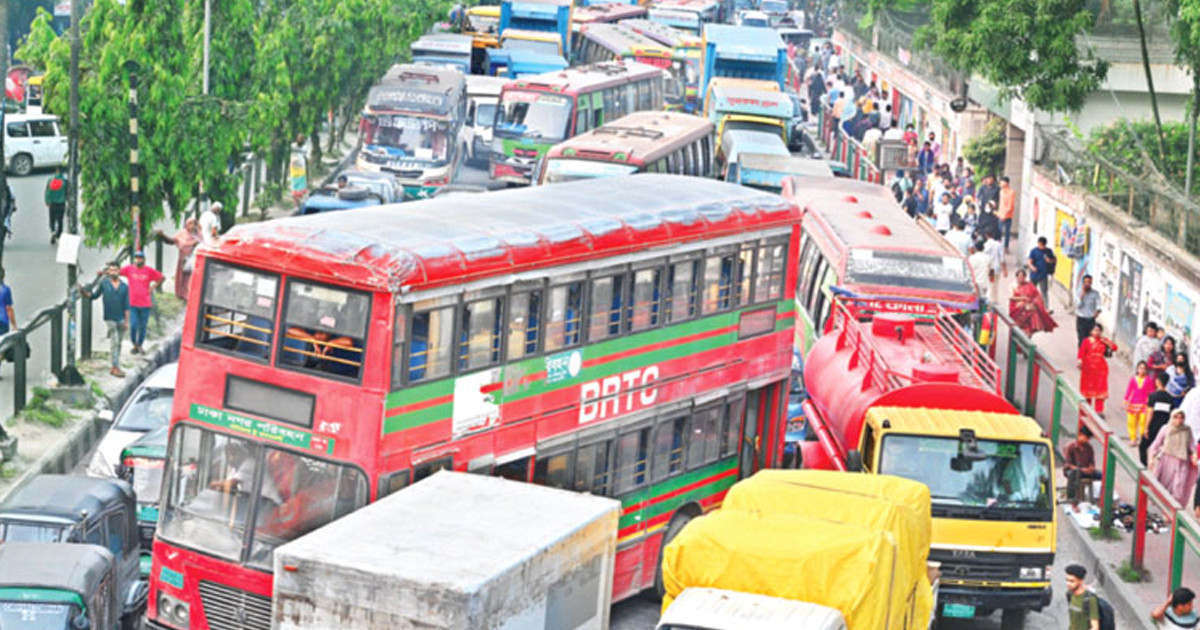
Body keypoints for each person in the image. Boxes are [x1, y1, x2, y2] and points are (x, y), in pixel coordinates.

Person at [80, 262, 130, 378]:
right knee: (115, 341)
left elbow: (127, 305)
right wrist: (83, 292)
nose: (113, 272)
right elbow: (94, 296)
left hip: (121, 318)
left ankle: (116, 362)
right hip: (110, 317)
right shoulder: (104, 284)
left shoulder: (124, 287)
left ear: (119, 271)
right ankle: (115, 366)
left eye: (115, 270)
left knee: (119, 343)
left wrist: (127, 322)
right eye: (111, 270)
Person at [1149, 409, 1199, 508]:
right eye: (1176, 417)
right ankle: (1165, 509)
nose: (1178, 420)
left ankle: (1174, 511)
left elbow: (1191, 445)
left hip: (1182, 462)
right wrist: (1151, 458)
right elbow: (1156, 444)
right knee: (1165, 486)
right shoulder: (1166, 429)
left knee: (1178, 487)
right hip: (1166, 461)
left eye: (1181, 418)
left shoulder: (1187, 430)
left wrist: (1194, 455)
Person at [120, 252, 164, 356]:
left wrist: (153, 287)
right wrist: (103, 273)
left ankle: (139, 345)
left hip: (145, 303)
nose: (138, 260)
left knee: (143, 326)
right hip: (133, 303)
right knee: (134, 325)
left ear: (144, 259)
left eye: (140, 258)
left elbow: (161, 277)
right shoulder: (129, 269)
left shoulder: (149, 270)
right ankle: (134, 344)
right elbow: (117, 272)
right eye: (136, 258)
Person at [155, 218, 201, 301]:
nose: (192, 226)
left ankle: (192, 296)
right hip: (184, 259)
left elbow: (203, 244)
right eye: (190, 224)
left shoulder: (198, 235)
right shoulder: (182, 234)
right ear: (186, 225)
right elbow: (173, 241)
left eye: (194, 224)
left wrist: (195, 244)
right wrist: (163, 236)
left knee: (193, 278)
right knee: (183, 277)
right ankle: (183, 295)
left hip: (196, 259)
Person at [1078, 323, 1117, 414]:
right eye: (1094, 330)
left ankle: (1099, 411)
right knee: (1088, 388)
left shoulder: (1103, 341)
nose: (1096, 332)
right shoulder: (1086, 341)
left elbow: (1115, 348)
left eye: (1098, 330)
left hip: (1100, 369)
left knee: (1100, 389)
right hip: (1088, 368)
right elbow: (1081, 352)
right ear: (1091, 331)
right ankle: (1086, 410)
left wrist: (1107, 342)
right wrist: (1080, 361)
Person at [1009, 269, 1057, 337]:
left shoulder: (1029, 285)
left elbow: (1037, 295)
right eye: (1019, 276)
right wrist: (1023, 299)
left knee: (1033, 310)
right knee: (1024, 308)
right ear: (1016, 277)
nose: (1021, 278)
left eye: (1023, 276)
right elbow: (1011, 297)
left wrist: (1035, 302)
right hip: (1018, 306)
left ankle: (1029, 332)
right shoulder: (1013, 285)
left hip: (1029, 306)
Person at [1142, 372, 1175, 465]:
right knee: (1161, 447)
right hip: (1164, 426)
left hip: (1153, 425)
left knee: (1143, 446)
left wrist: (1146, 428)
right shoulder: (1170, 398)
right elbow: (1171, 414)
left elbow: (1150, 413)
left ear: (1158, 381)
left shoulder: (1153, 396)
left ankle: (1145, 466)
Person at [1064, 427, 1102, 506]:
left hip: (1086, 470)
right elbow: (1068, 464)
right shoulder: (1070, 447)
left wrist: (1091, 468)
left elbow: (1092, 461)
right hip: (1073, 470)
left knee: (1103, 475)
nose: (1087, 440)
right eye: (1086, 438)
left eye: (1089, 438)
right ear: (1080, 435)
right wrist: (1081, 469)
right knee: (1074, 474)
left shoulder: (1089, 447)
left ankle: (1101, 500)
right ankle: (1072, 500)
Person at [1125, 362, 1156, 447]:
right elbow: (1129, 390)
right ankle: (1133, 438)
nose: (1142, 370)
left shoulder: (1149, 380)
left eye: (1144, 369)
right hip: (1133, 403)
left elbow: (1152, 391)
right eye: (1140, 368)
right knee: (1132, 422)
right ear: (1137, 369)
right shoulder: (1133, 379)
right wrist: (1126, 399)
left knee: (1143, 422)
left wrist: (1151, 401)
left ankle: (1142, 438)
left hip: (1144, 404)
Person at [1065, 564, 1101, 630]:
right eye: (1067, 580)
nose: (1068, 584)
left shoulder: (1089, 599)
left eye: (1072, 581)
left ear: (1081, 581)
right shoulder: (1069, 594)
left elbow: (1095, 627)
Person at [1027, 236, 1056, 302]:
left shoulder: (1048, 251)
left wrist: (1050, 261)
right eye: (1040, 245)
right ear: (1038, 243)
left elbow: (1054, 260)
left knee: (1044, 292)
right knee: (1031, 291)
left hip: (1043, 274)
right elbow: (1029, 262)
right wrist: (1032, 267)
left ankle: (1046, 307)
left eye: (1043, 245)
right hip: (1034, 274)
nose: (1041, 246)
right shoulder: (1034, 251)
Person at [1075, 275, 1101, 347]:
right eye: (1086, 282)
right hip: (1081, 319)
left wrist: (1097, 311)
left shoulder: (1095, 293)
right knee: (1082, 340)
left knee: (1090, 340)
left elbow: (1098, 304)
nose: (1087, 284)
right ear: (1083, 283)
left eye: (1089, 282)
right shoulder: (1078, 292)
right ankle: (1081, 357)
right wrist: (1082, 295)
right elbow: (1078, 306)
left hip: (1091, 320)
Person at [44, 167, 68, 245]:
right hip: (61, 203)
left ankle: (53, 231)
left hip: (52, 203)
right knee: (60, 221)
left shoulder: (51, 180)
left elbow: (47, 191)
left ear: (56, 171)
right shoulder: (65, 181)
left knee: (52, 219)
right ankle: (58, 234)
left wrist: (47, 201)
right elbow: (67, 192)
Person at [968, 241, 995, 306]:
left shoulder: (971, 258)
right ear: (983, 248)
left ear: (975, 248)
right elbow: (992, 271)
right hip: (984, 283)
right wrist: (992, 280)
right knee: (985, 301)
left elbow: (968, 271)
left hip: (973, 283)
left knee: (974, 301)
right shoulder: (988, 258)